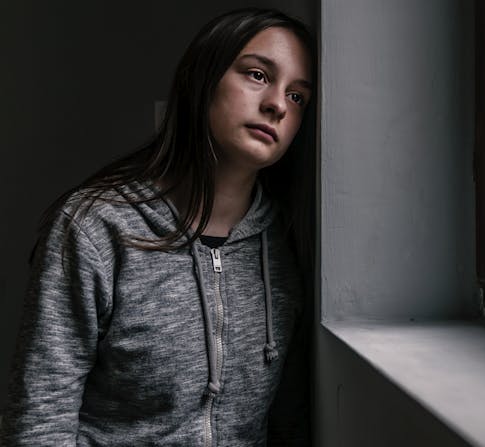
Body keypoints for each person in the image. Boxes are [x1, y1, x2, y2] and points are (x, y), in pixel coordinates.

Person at [1, 7, 315, 446]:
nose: (277, 105)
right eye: (258, 75)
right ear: (202, 78)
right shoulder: (96, 228)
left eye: (298, 96)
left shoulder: (285, 243)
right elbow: (40, 421)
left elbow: (289, 423)